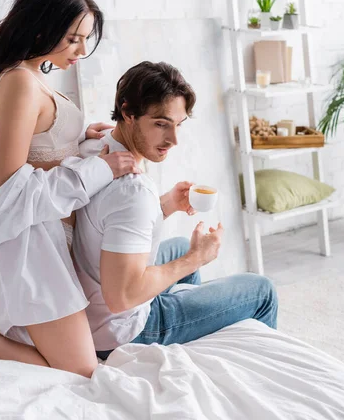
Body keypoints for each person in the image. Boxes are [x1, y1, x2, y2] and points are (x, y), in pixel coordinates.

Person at [0, 0, 141, 377]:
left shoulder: (30, 77)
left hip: (47, 238)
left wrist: (81, 139)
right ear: (42, 25)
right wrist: (100, 167)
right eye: (73, 38)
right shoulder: (21, 82)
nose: (80, 50)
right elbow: (11, 186)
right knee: (81, 371)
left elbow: (40, 151)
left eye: (85, 39)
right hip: (31, 245)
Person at [73, 61, 278, 359]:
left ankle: (190, 349)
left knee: (180, 245)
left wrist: (167, 204)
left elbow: (109, 219)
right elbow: (122, 297)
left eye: (178, 124)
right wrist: (196, 258)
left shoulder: (97, 148)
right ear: (129, 113)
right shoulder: (134, 191)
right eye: (161, 124)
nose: (174, 139)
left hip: (90, 306)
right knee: (261, 290)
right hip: (120, 329)